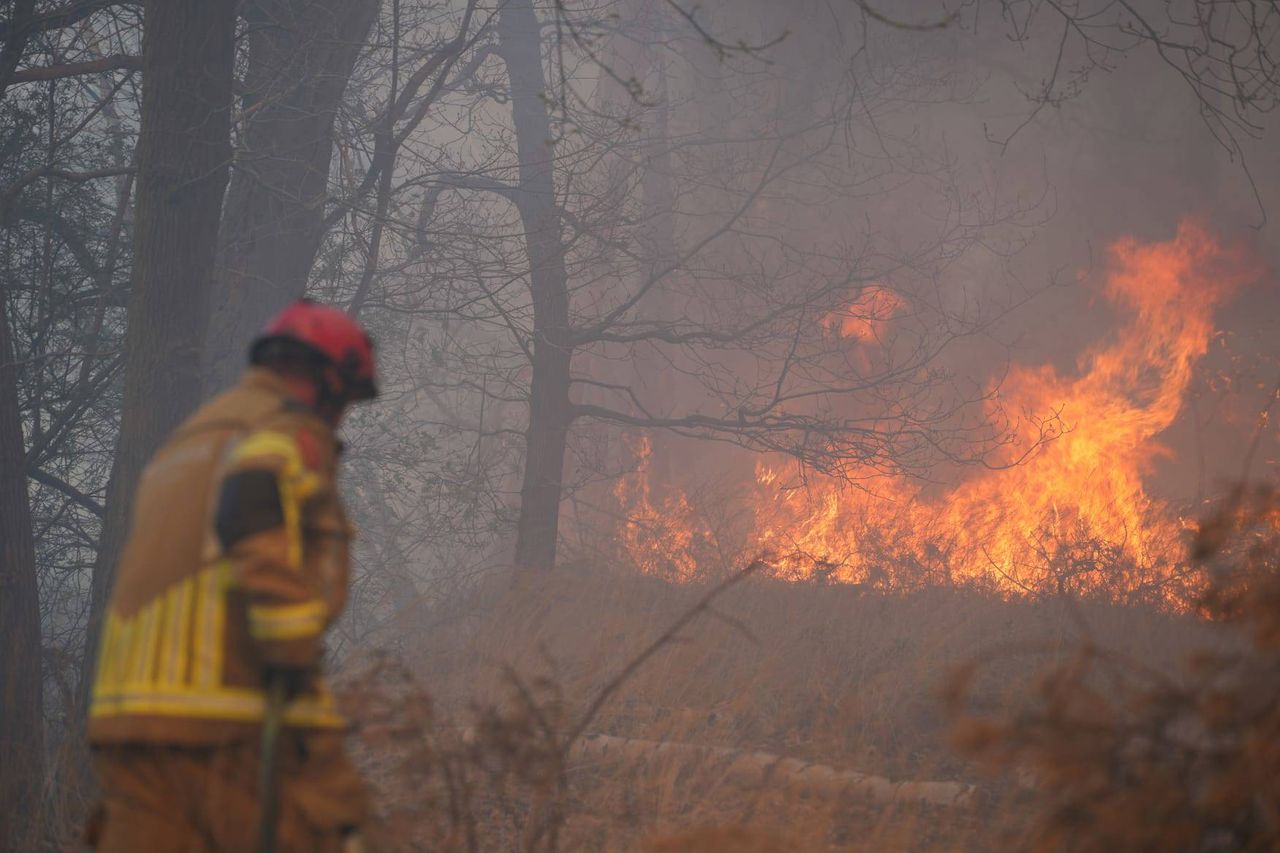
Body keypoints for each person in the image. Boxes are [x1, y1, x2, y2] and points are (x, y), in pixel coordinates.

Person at [86, 300, 379, 852]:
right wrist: (296, 672)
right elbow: (252, 519)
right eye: (346, 402)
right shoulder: (282, 430)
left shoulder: (187, 441)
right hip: (216, 716)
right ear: (325, 382)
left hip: (124, 720)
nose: (341, 420)